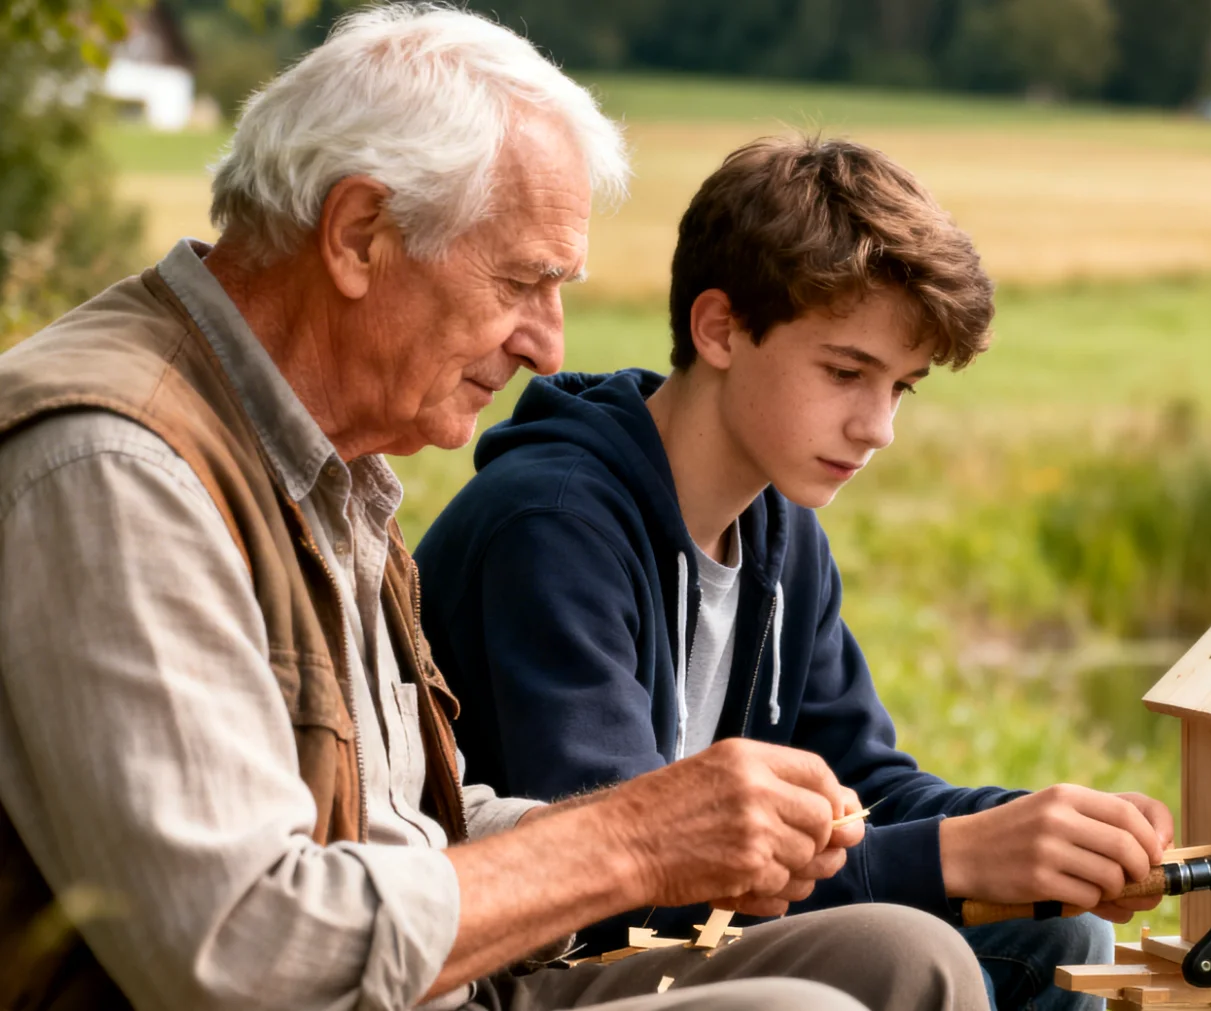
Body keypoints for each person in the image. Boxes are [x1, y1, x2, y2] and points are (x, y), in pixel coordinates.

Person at [0, 8, 989, 1011]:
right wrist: (635, 843)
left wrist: (668, 830)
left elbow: (407, 825)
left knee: (911, 963)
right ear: (358, 236)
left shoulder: (319, 461)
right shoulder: (118, 463)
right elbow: (242, 947)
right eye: (522, 282)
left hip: (442, 983)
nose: (548, 347)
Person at [413, 134, 1177, 1011]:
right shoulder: (550, 524)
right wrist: (961, 854)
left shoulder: (780, 524)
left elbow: (866, 788)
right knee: (926, 944)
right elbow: (622, 869)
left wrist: (1040, 828)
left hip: (684, 934)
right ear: (720, 328)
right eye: (848, 372)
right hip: (534, 962)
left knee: (1061, 930)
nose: (877, 426)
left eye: (902, 387)